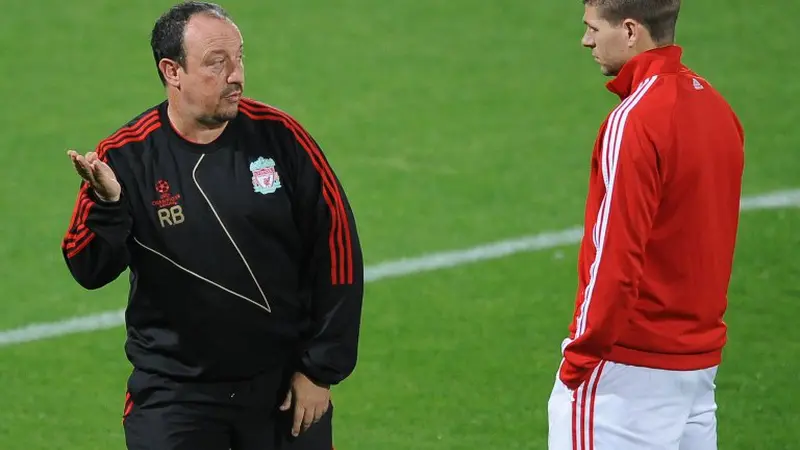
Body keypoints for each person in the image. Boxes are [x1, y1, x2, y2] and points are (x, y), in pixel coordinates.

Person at [60, 2, 364, 449]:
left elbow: (338, 252)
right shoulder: (126, 157)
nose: (236, 75)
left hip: (281, 388)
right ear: (172, 71)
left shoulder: (282, 138)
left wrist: (319, 370)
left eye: (239, 58)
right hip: (176, 396)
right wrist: (109, 204)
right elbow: (87, 269)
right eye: (216, 63)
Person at [547, 0, 744, 449]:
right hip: (697, 370)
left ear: (632, 31)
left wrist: (579, 360)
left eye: (594, 28)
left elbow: (614, 254)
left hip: (625, 376)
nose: (586, 40)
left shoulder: (634, 120)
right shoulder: (717, 109)